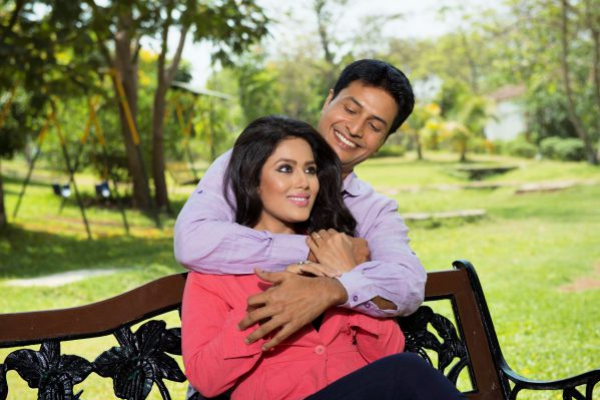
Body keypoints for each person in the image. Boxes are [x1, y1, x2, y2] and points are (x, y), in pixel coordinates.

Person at [182, 116, 463, 399]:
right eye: (285, 169)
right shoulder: (213, 271)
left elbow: (387, 352)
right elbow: (207, 379)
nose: (303, 182)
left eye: (310, 170)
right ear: (252, 180)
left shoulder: (333, 251)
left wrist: (350, 276)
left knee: (404, 370)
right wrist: (269, 307)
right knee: (407, 371)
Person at [175, 59, 426, 351]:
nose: (355, 128)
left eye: (374, 126)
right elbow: (192, 241)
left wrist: (335, 288)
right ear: (328, 101)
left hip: (336, 362)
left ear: (383, 141)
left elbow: (408, 285)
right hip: (246, 356)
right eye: (350, 109)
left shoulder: (373, 210)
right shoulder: (252, 162)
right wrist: (317, 251)